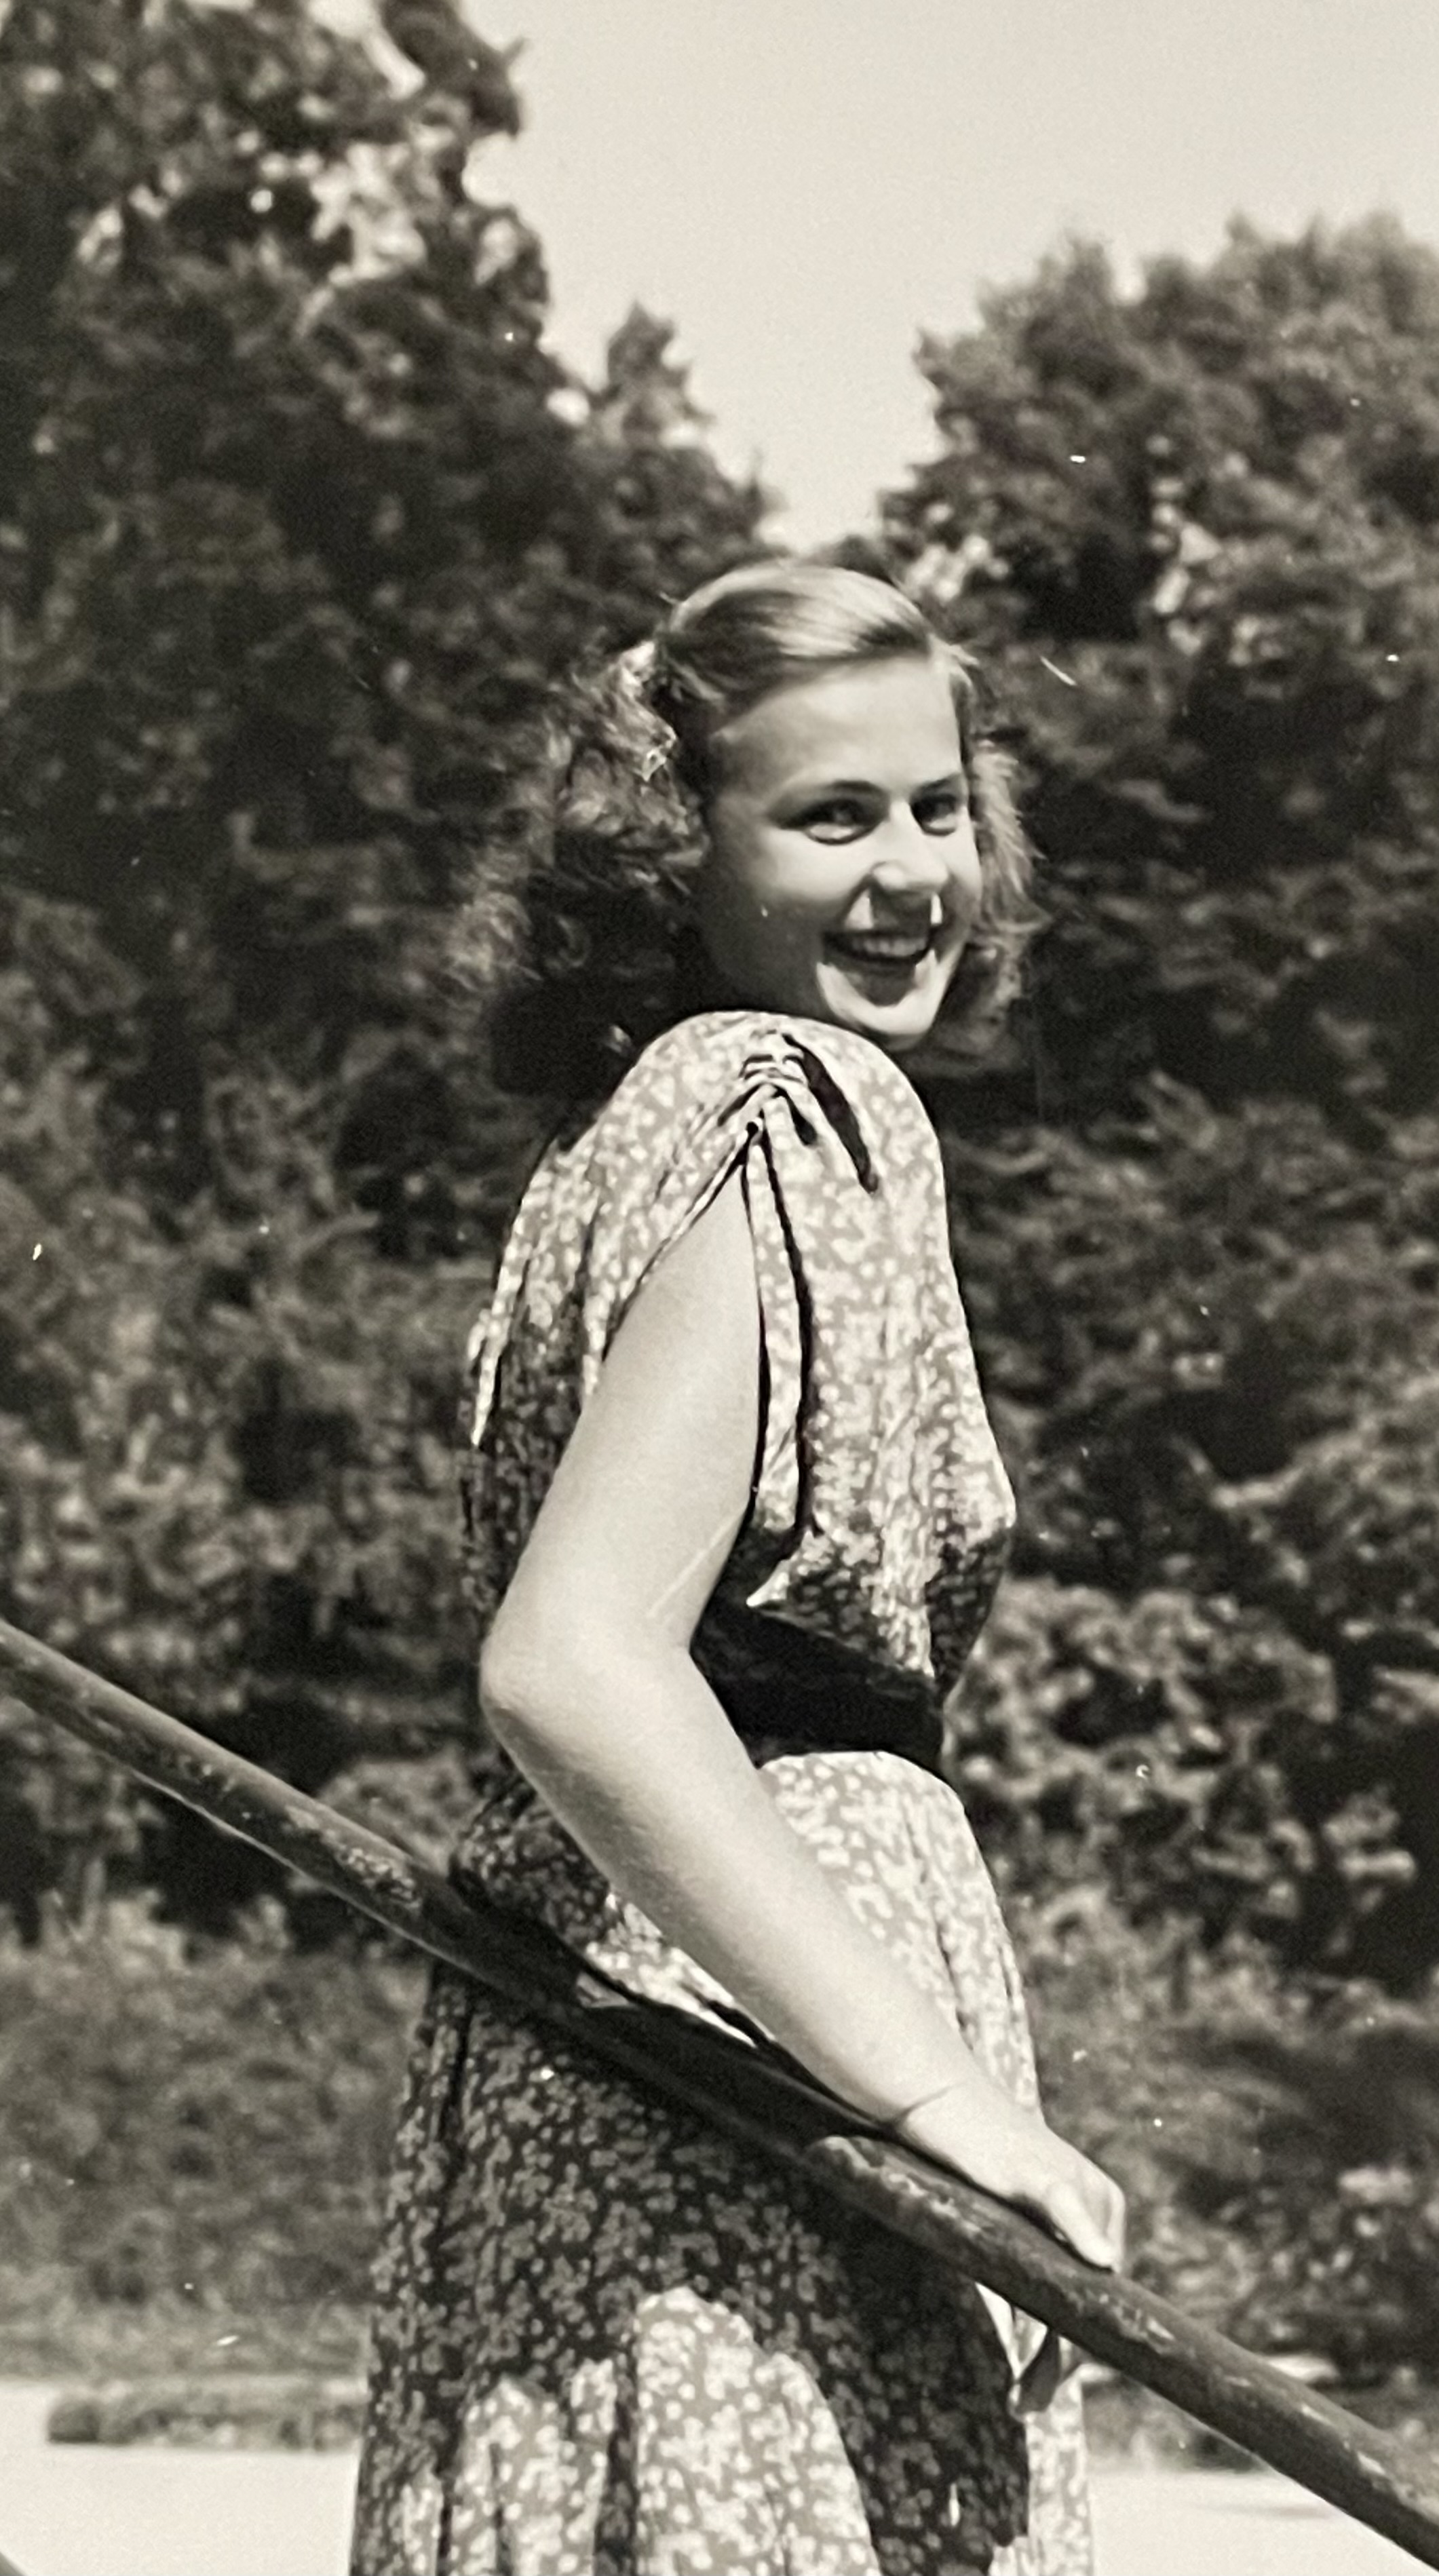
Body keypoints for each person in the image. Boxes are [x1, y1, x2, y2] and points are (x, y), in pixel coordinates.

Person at [350, 560, 1126, 2575]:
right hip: (753, 2065)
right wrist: (937, 2094)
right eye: (829, 816)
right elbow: (578, 1662)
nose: (911, 875)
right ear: (675, 853)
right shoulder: (799, 1103)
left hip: (585, 2032)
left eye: (937, 807)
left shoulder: (618, 1138)